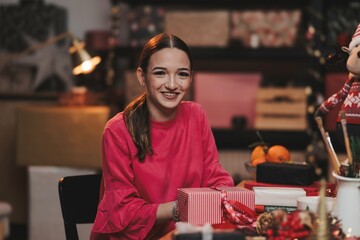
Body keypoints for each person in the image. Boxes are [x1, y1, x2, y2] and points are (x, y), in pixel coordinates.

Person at [90, 33, 234, 240]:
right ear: (141, 76)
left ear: (190, 77)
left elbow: (216, 178)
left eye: (182, 74)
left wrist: (223, 196)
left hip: (184, 234)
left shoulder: (196, 115)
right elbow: (124, 211)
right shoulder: (117, 130)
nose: (173, 84)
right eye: (160, 73)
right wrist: (181, 208)